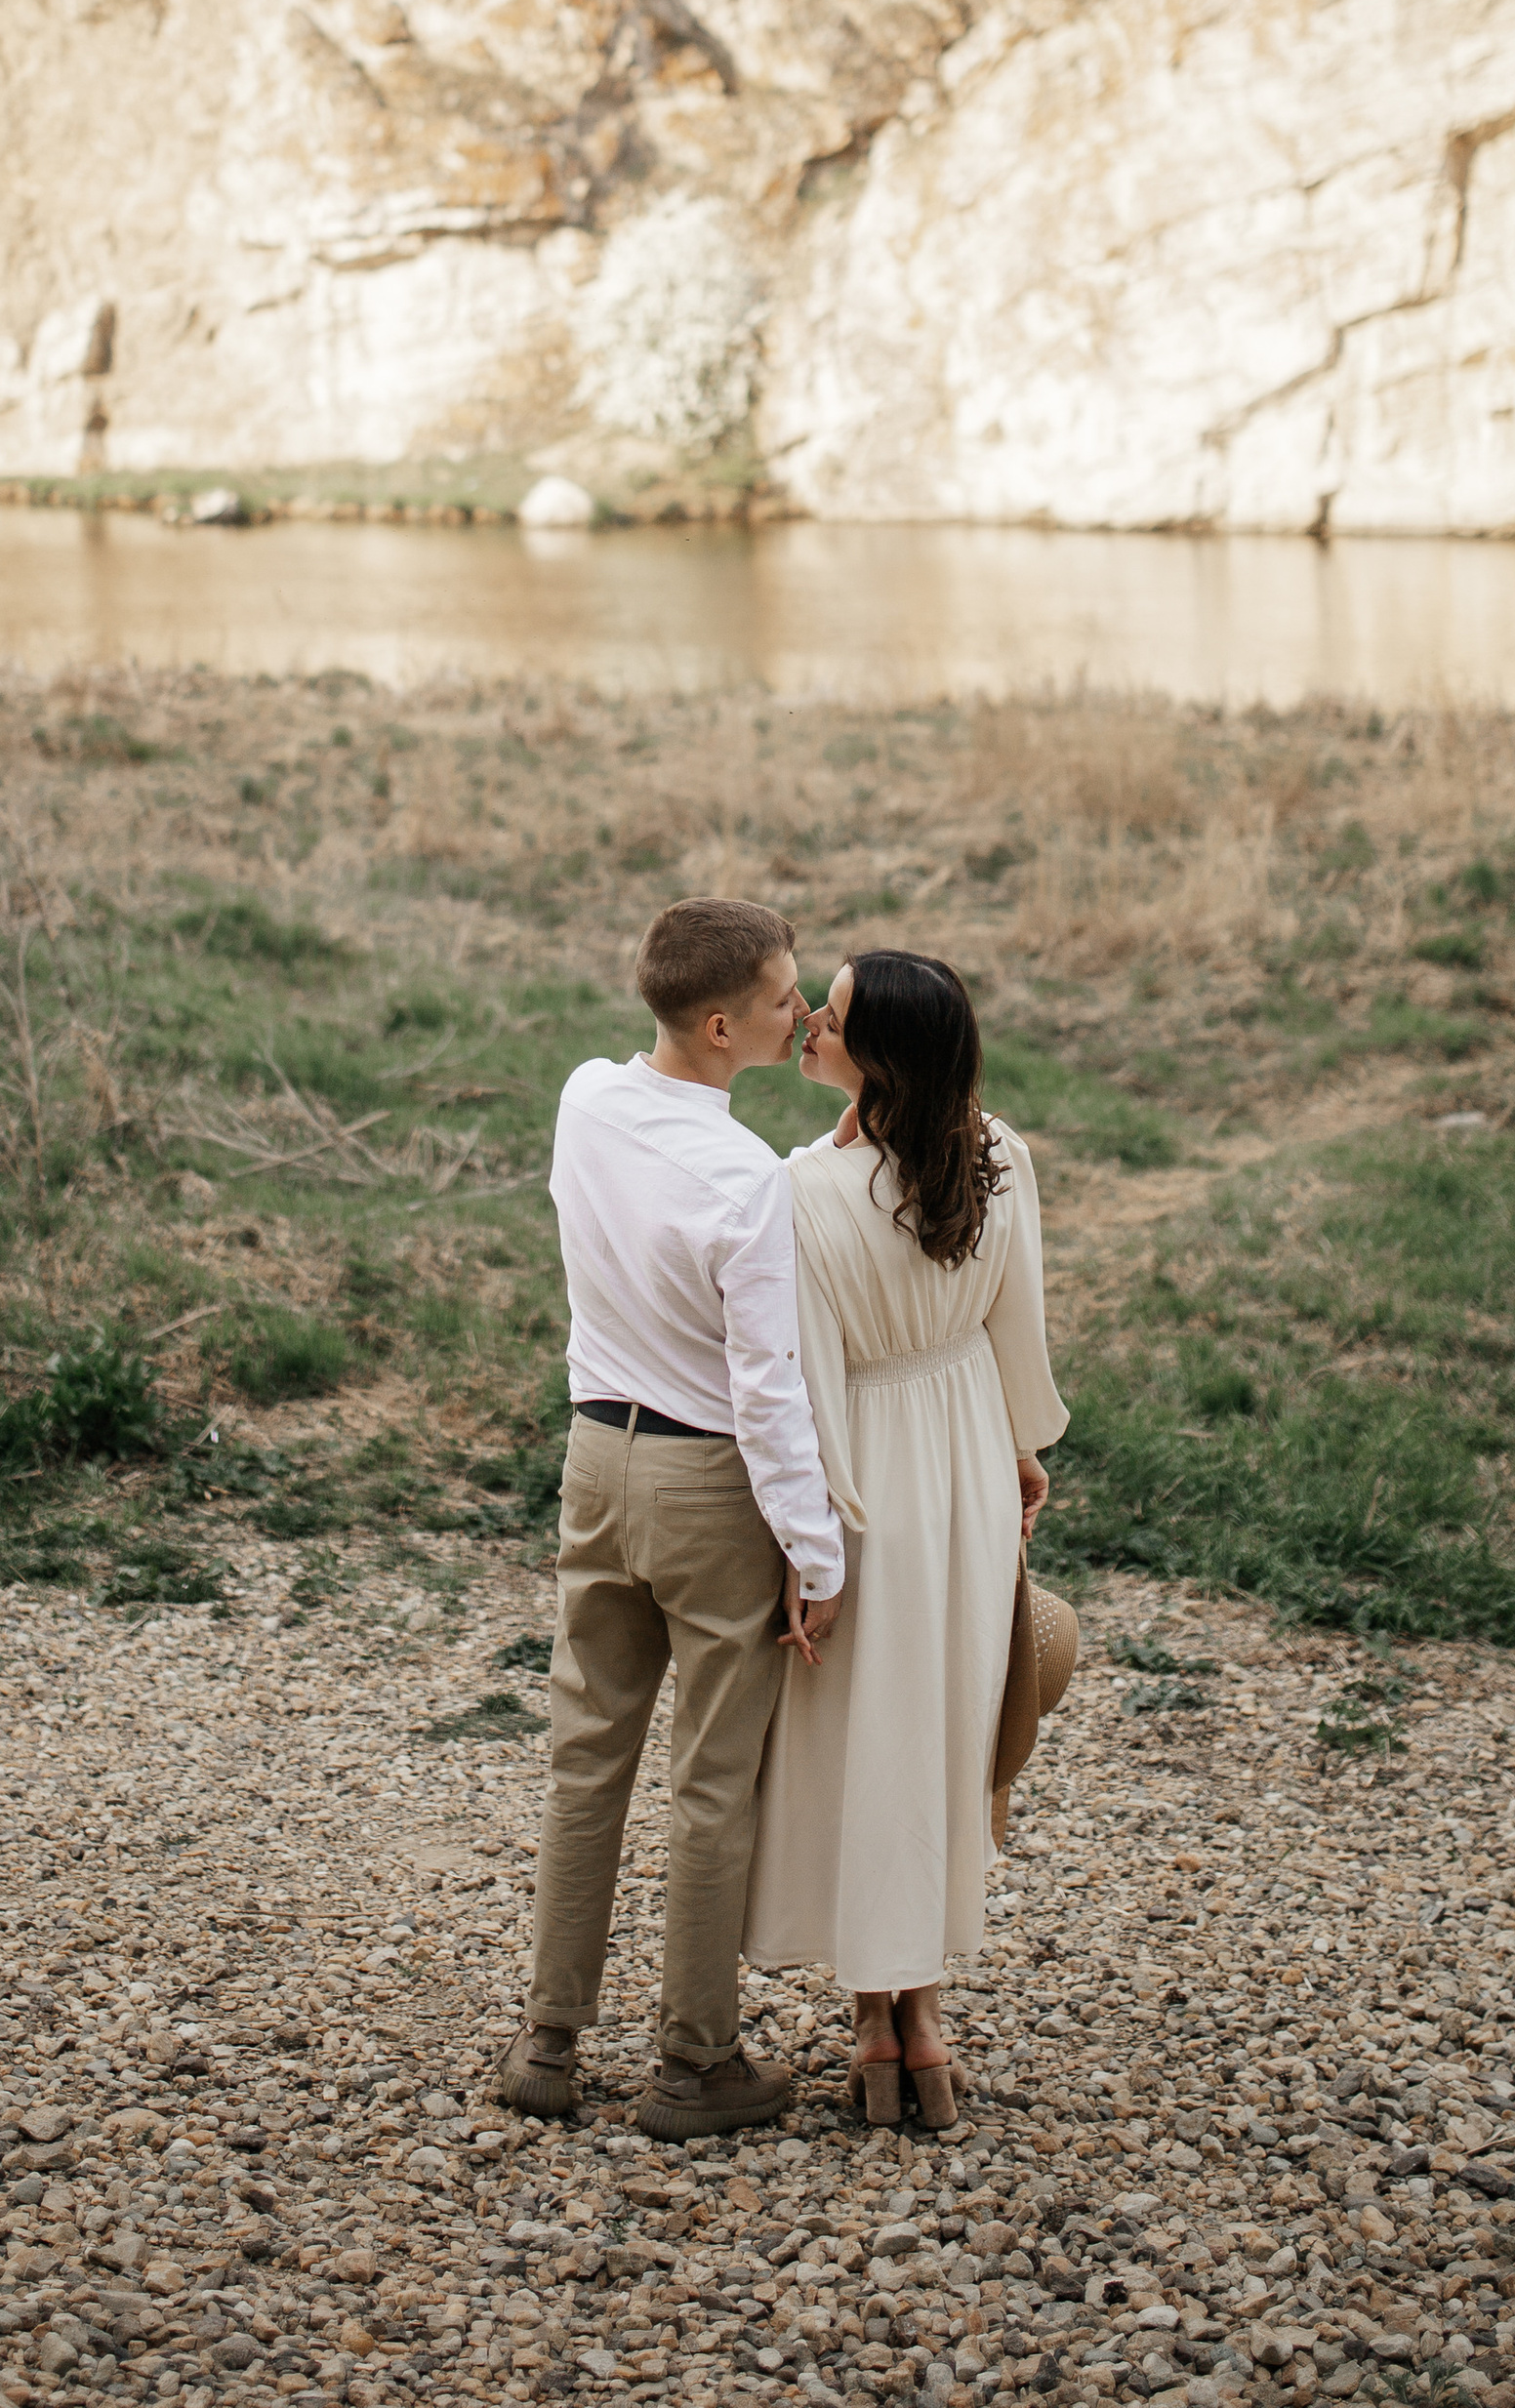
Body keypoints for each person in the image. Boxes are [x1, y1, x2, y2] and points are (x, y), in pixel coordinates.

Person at [493, 897, 848, 2142]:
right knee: (711, 1779)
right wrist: (814, 1554)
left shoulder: (585, 1099)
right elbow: (768, 1387)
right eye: (782, 999)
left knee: (587, 1754)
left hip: (595, 1457)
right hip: (707, 1484)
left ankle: (548, 2042)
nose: (802, 1013)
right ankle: (695, 2066)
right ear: (719, 1027)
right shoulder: (748, 1180)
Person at [743, 950, 1067, 2132]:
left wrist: (811, 1542)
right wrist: (1018, 1444)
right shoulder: (998, 1156)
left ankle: (879, 2020)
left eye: (829, 1017)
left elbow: (807, 1379)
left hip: (868, 1467)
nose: (809, 1025)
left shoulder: (802, 1189)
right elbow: (1015, 1325)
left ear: (877, 1059)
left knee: (866, 1734)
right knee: (938, 1726)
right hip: (965, 1451)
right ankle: (917, 2017)